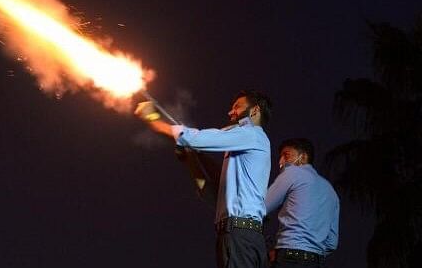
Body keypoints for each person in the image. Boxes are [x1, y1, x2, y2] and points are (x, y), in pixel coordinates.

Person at [135, 90, 272, 268]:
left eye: (237, 107)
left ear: (254, 111)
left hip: (239, 236)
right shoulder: (245, 147)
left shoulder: (251, 134)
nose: (230, 113)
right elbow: (213, 188)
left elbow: (194, 138)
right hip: (242, 236)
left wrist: (153, 120)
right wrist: (191, 157)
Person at [265, 138, 339, 268]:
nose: (280, 162)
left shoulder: (293, 172)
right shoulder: (331, 191)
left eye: (286, 155)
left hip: (289, 258)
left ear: (303, 157)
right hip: (315, 261)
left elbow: (262, 206)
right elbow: (332, 242)